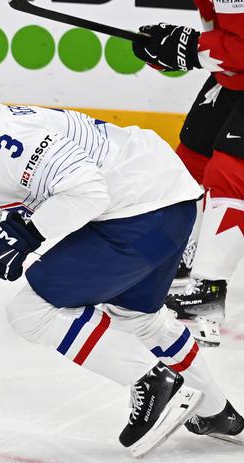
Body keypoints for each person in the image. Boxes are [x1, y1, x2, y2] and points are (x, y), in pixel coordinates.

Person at [0, 63, 242, 457]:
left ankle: (153, 381)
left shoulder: (9, 142)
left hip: (141, 212)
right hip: (168, 205)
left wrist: (25, 234)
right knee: (137, 316)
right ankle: (215, 411)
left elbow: (88, 192)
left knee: (29, 310)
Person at [131, 1, 244, 347]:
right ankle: (179, 257)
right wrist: (168, 49)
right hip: (233, 78)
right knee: (189, 162)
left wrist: (192, 49)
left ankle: (208, 292)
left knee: (232, 170)